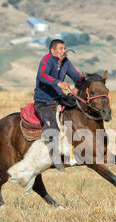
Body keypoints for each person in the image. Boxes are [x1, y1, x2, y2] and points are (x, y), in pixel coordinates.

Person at [34, 39, 81, 171]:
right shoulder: (47, 60)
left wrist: (78, 87)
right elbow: (42, 75)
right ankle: (55, 158)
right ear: (52, 51)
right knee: (53, 127)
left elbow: (77, 77)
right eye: (60, 49)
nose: (63, 51)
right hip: (43, 102)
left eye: (64, 48)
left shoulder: (66, 62)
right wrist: (58, 83)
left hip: (58, 99)